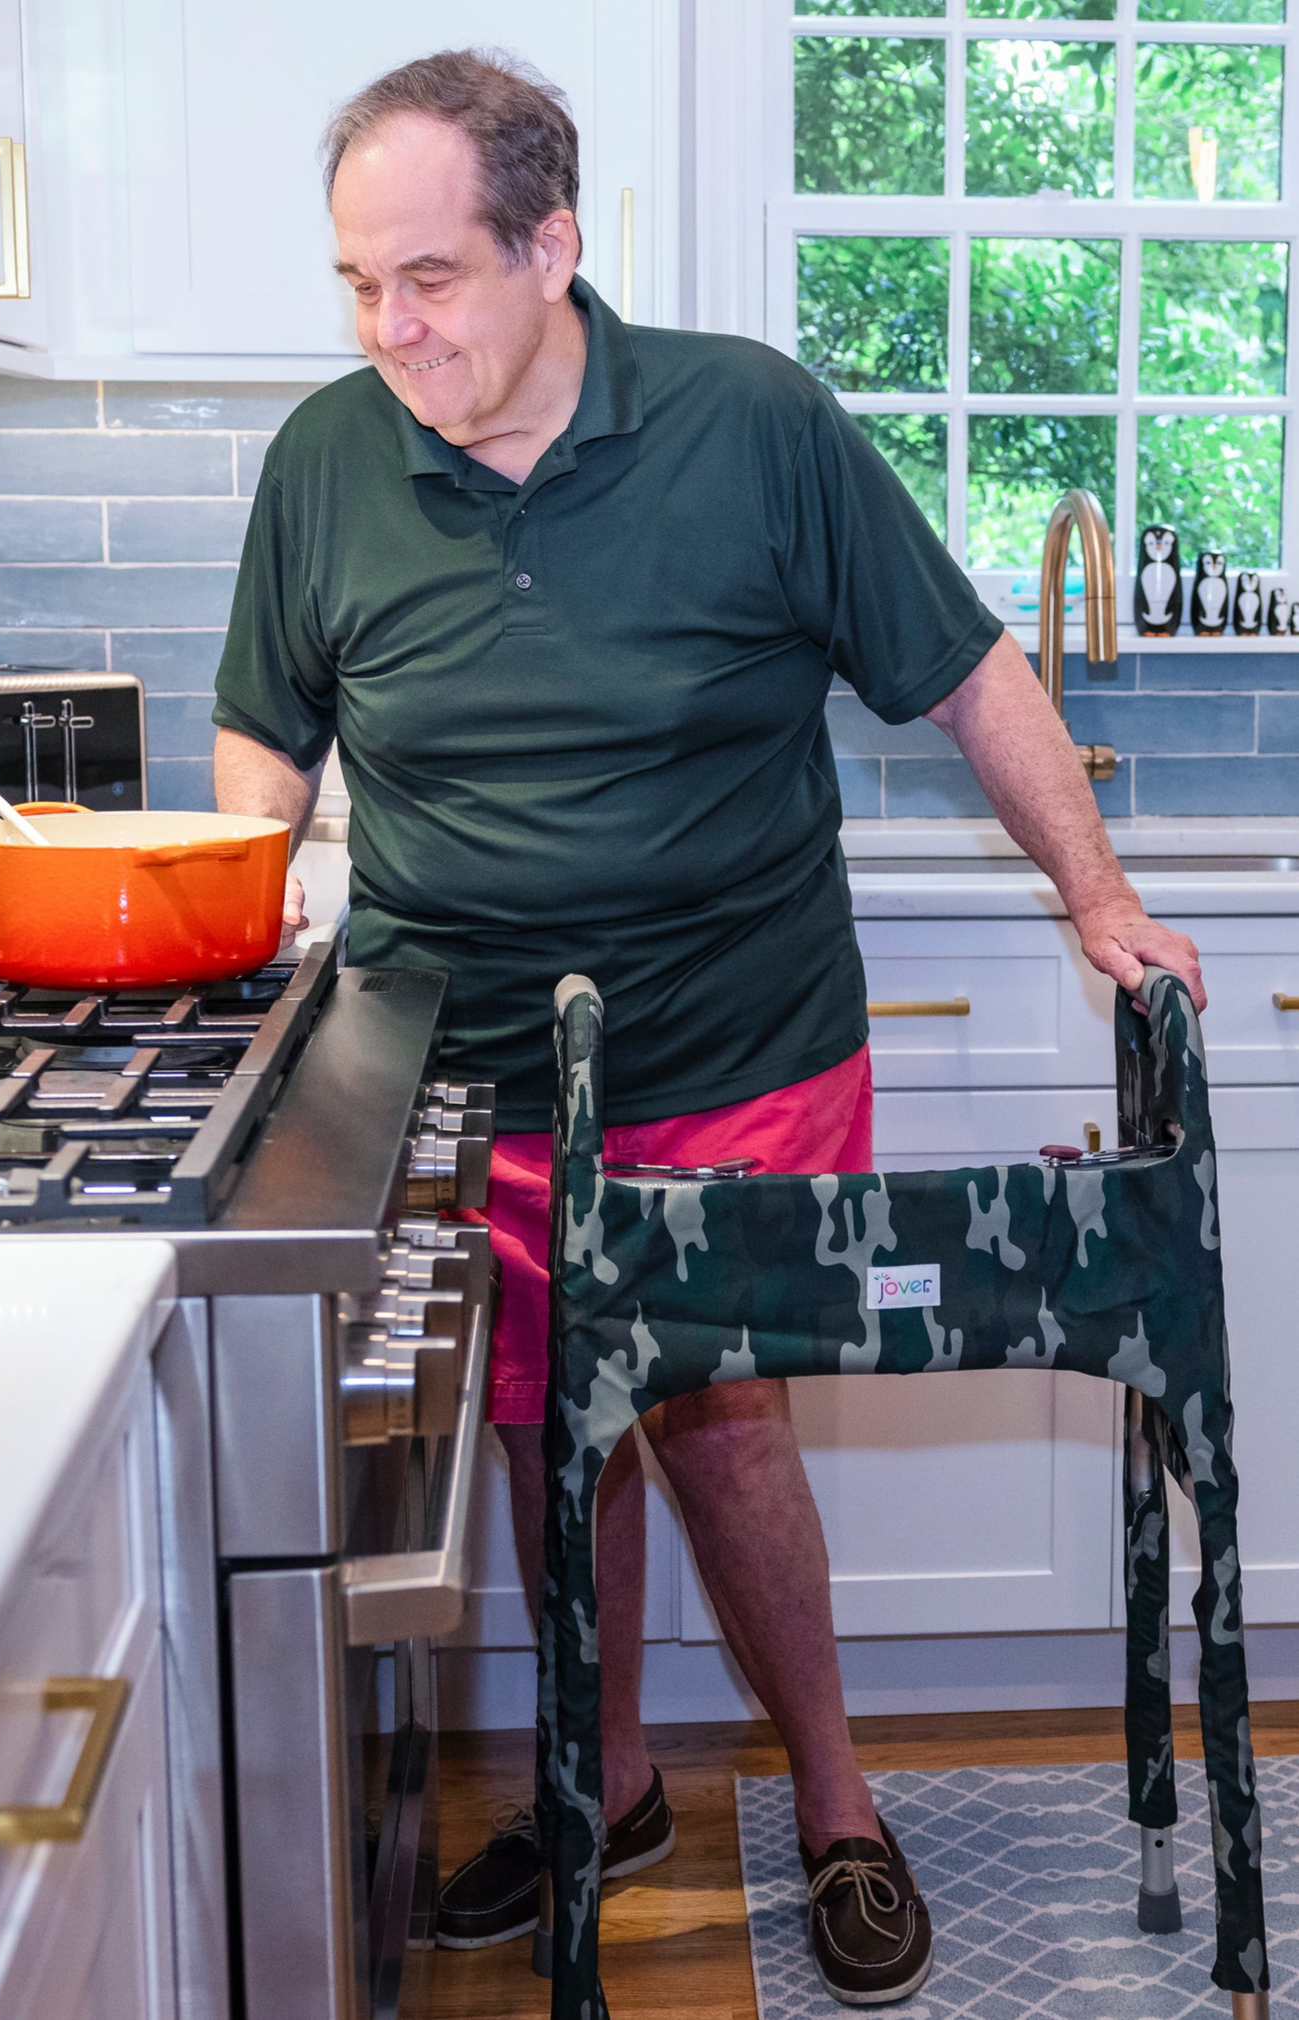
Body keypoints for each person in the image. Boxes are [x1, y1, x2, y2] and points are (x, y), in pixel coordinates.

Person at [211, 49, 1205, 2008]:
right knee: (535, 1440)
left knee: (723, 1424)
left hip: (734, 1054)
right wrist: (239, 922)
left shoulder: (751, 423)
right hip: (459, 1075)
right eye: (356, 285)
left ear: (552, 247)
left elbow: (967, 672)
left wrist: (1098, 895)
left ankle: (838, 1804)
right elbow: (268, 722)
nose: (386, 327)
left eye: (426, 278)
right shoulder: (326, 457)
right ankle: (612, 1793)